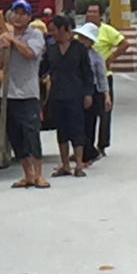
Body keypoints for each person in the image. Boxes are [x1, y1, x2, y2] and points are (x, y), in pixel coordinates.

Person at [0, 0, 48, 189]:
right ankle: (27, 174)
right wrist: (4, 48)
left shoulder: (35, 35)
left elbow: (30, 54)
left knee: (31, 134)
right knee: (15, 135)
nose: (19, 17)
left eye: (23, 13)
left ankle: (39, 174)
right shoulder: (3, 38)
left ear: (29, 17)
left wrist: (14, 41)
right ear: (10, 15)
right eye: (16, 13)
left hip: (28, 93)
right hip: (9, 94)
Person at [42, 16, 94, 178]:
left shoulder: (79, 48)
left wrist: (88, 94)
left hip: (76, 94)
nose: (52, 34)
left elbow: (88, 73)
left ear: (64, 29)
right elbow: (43, 69)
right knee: (62, 130)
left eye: (54, 30)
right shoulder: (51, 49)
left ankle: (78, 164)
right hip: (57, 95)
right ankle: (65, 165)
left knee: (77, 129)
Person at [85, 2, 127, 157]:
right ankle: (86, 146)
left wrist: (111, 58)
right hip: (87, 79)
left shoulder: (107, 31)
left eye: (95, 12)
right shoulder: (82, 32)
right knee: (87, 114)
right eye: (89, 12)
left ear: (101, 15)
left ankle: (102, 144)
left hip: (104, 77)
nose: (91, 15)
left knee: (104, 113)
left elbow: (124, 44)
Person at [74, 24, 111, 166]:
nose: (81, 40)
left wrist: (106, 95)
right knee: (78, 124)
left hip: (94, 91)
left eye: (85, 38)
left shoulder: (96, 57)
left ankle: (89, 154)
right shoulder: (75, 53)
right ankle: (82, 153)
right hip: (78, 90)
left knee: (89, 124)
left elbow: (102, 77)